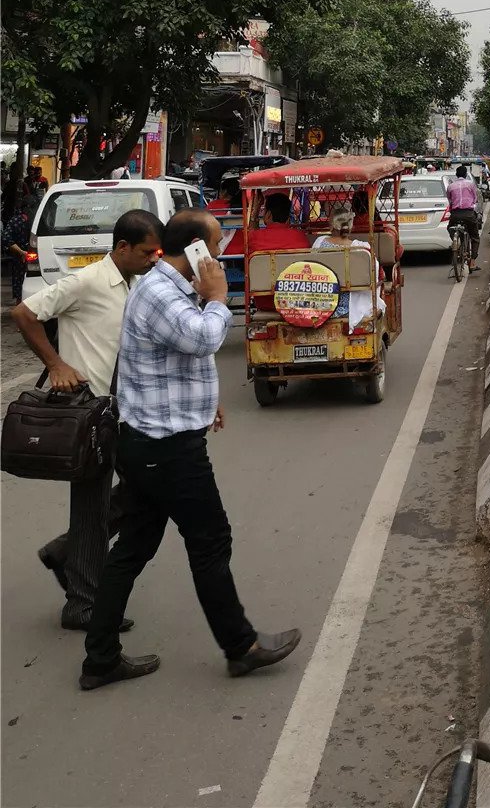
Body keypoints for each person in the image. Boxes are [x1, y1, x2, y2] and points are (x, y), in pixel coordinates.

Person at [80, 210, 300, 689]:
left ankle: (99, 658)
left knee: (134, 547)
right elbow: (201, 339)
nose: (222, 254)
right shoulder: (161, 292)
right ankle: (241, 646)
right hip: (166, 447)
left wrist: (207, 401)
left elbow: (175, 358)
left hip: (156, 438)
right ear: (196, 249)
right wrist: (220, 297)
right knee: (210, 541)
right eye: (217, 244)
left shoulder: (173, 291)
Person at [12, 210, 164, 629]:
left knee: (145, 492)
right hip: (90, 415)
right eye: (148, 251)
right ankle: (82, 604)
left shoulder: (138, 283)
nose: (155, 258)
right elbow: (24, 313)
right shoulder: (88, 281)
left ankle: (66, 554)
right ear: (122, 248)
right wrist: (56, 364)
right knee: (92, 510)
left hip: (124, 409)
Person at [312, 207, 385, 326]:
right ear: (350, 227)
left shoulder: (319, 243)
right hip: (350, 308)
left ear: (331, 226)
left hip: (322, 305)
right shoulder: (362, 248)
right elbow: (375, 277)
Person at [446, 164, 481, 273]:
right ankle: (472, 262)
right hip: (468, 214)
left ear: (456, 175)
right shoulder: (470, 185)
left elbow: (450, 200)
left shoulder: (451, 186)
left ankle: (457, 244)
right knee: (474, 237)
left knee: (450, 228)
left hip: (455, 214)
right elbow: (475, 199)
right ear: (466, 174)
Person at [2, 184, 34, 301]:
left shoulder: (15, 220)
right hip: (33, 259)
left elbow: (6, 238)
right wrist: (23, 252)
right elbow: (5, 238)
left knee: (20, 285)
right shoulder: (37, 221)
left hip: (20, 258)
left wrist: (21, 252)